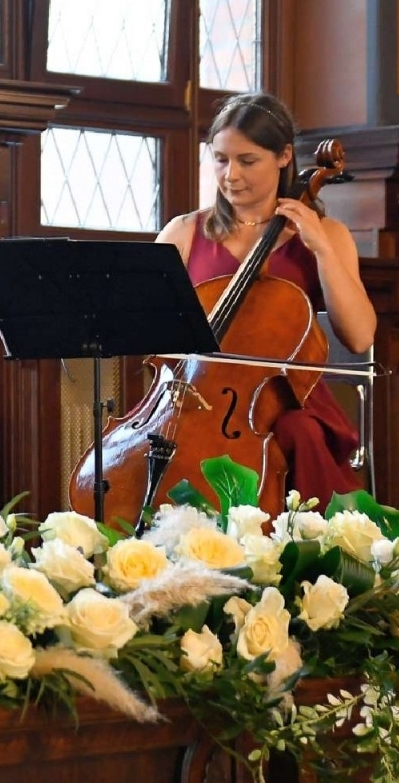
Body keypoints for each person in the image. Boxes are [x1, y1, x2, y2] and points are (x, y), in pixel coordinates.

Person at [156, 91, 377, 505]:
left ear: (284, 156)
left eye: (247, 161)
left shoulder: (328, 236)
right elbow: (148, 334)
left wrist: (322, 250)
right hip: (196, 400)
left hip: (287, 402)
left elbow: (360, 335)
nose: (231, 175)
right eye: (221, 159)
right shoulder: (182, 233)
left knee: (298, 432)